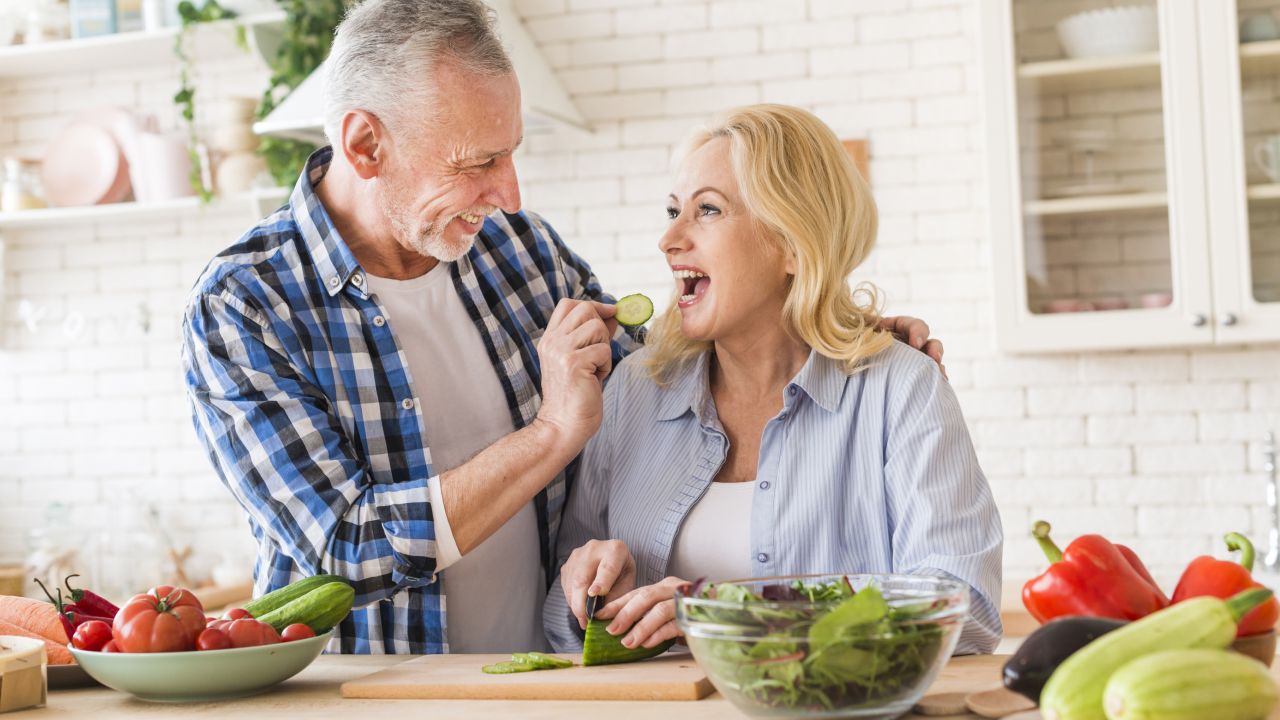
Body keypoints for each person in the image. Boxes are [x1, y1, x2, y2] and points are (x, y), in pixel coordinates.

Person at [181, 0, 943, 655]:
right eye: (478, 162)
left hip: (541, 680)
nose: (508, 195)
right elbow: (346, 552)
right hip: (373, 694)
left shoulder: (520, 251)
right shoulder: (247, 306)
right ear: (365, 145)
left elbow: (664, 377)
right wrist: (550, 433)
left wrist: (832, 333)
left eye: (511, 155)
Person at [545, 104, 1002, 656]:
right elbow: (559, 620)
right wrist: (592, 599)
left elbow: (963, 605)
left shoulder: (900, 388)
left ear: (791, 242)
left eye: (707, 210)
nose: (669, 239)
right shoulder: (634, 390)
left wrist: (735, 614)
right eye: (672, 211)